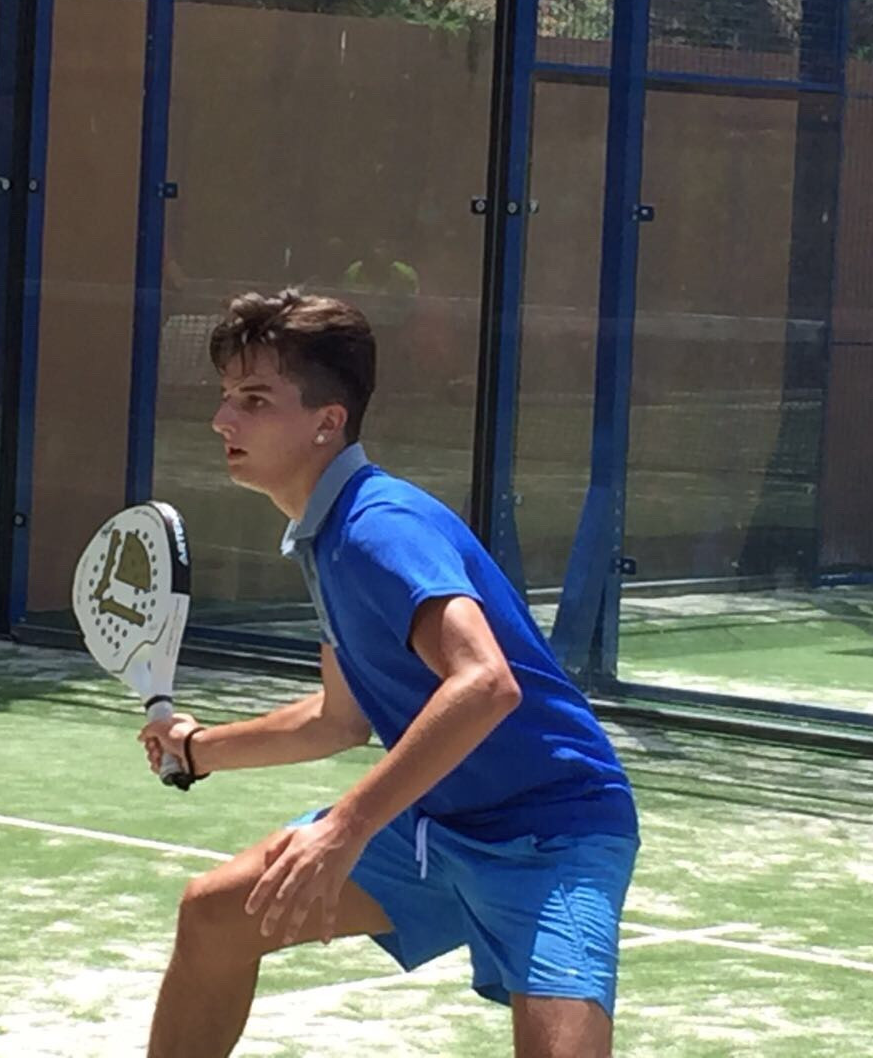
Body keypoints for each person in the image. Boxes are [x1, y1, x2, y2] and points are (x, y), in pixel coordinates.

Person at [138, 289, 640, 1057]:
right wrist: (198, 749)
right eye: (227, 396)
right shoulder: (324, 536)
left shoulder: (378, 527)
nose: (222, 420)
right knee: (214, 916)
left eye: (254, 400)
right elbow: (338, 719)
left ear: (326, 422)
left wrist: (345, 828)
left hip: (553, 832)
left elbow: (485, 682)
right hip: (435, 827)